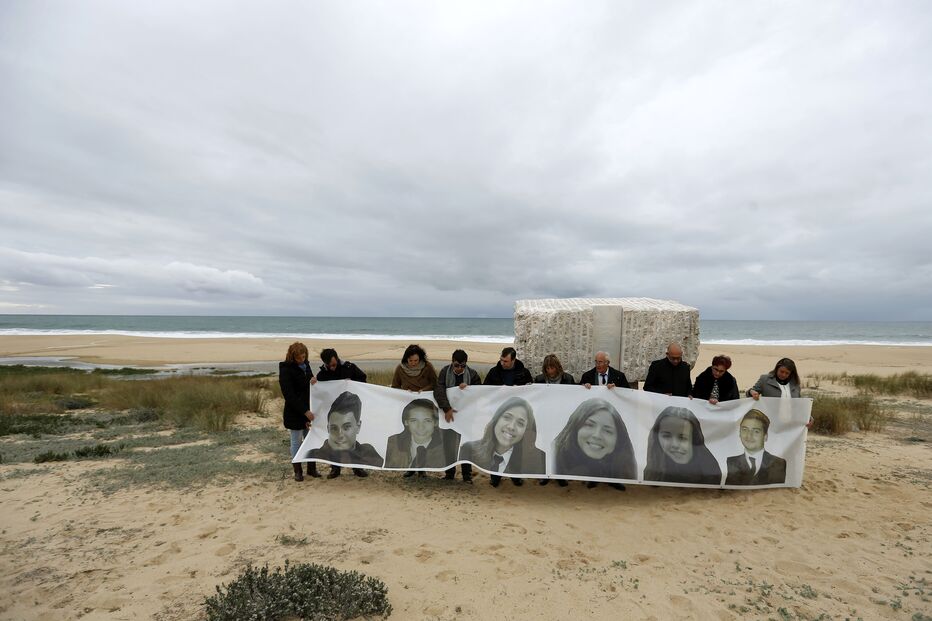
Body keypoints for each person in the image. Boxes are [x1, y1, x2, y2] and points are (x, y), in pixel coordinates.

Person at [458, 396, 545, 487]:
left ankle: (516, 477)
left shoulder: (533, 457)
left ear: (525, 430)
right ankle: (494, 479)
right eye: (507, 417)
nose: (511, 427)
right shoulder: (469, 448)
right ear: (496, 418)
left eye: (520, 423)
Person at [552, 398, 637, 491]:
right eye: (589, 425)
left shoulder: (624, 465)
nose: (597, 435)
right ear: (576, 427)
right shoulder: (554, 457)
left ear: (618, 440)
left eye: (607, 431)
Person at [305, 391, 383, 477]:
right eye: (334, 428)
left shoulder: (370, 453)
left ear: (358, 426)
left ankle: (357, 467)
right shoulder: (316, 453)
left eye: (346, 427)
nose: (340, 434)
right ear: (328, 428)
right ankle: (335, 468)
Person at [315, 348, 367, 478]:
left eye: (334, 364)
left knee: (351, 440)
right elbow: (319, 393)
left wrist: (353, 383)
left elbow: (363, 380)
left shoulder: (349, 367)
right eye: (329, 366)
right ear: (324, 363)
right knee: (336, 439)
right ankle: (335, 469)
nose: (332, 368)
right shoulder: (322, 375)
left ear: (337, 359)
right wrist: (314, 384)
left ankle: (357, 468)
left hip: (350, 410)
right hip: (333, 412)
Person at [434, 349, 481, 482]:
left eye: (462, 366)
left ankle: (467, 475)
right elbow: (439, 390)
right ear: (452, 362)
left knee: (466, 445)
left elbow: (480, 391)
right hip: (449, 414)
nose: (459, 368)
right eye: (456, 365)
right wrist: (447, 408)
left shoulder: (472, 374)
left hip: (467, 416)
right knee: (448, 444)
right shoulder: (444, 372)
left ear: (466, 364)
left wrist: (469, 388)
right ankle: (450, 473)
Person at [643, 406, 722, 485]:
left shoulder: (710, 470)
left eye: (682, 438)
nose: (674, 444)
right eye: (666, 436)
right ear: (656, 437)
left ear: (694, 439)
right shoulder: (654, 467)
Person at [384, 399, 461, 477]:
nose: (420, 427)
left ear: (435, 422)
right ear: (406, 422)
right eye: (414, 421)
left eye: (427, 421)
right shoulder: (393, 443)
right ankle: (412, 469)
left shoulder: (448, 442)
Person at [279, 342, 318, 481]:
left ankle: (311, 468)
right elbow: (289, 395)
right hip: (294, 411)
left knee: (310, 438)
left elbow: (310, 380)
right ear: (292, 356)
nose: (302, 360)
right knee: (296, 441)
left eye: (303, 356)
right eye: (298, 358)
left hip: (309, 409)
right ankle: (297, 470)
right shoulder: (285, 369)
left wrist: (313, 380)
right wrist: (304, 411)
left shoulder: (306, 365)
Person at [725, 409, 787, 485]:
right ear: (739, 433)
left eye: (756, 431)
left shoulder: (779, 463)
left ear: (765, 436)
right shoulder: (731, 462)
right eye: (744, 429)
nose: (749, 436)